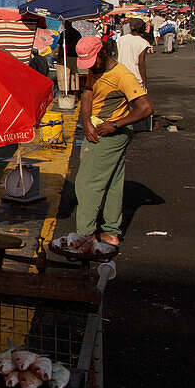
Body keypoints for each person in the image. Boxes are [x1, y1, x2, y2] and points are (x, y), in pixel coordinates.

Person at [74, 36, 154, 247]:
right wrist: (86, 122)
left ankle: (85, 236)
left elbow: (145, 108)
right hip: (99, 128)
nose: (90, 68)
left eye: (92, 62)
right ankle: (110, 232)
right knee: (113, 182)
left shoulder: (122, 75)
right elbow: (88, 94)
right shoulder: (97, 69)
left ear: (102, 53)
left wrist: (116, 124)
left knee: (87, 184)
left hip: (108, 134)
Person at [116, 18, 150, 88]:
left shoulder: (121, 39)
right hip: (135, 76)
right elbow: (141, 63)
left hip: (120, 75)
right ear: (140, 28)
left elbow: (117, 57)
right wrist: (144, 80)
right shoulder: (143, 43)